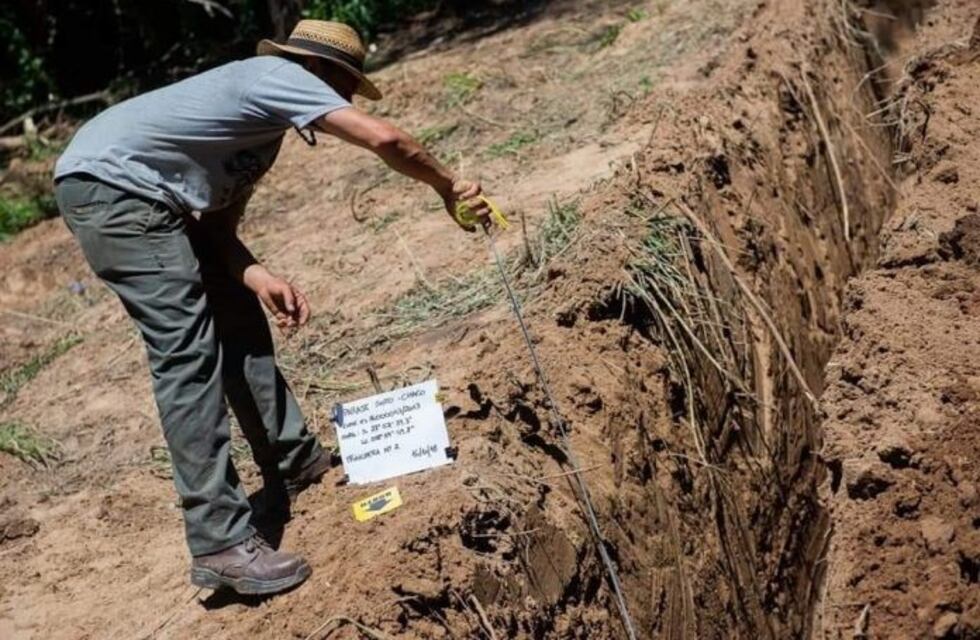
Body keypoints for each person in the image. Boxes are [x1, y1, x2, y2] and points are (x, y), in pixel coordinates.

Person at [53, 20, 490, 596]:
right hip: (118, 194)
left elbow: (216, 232)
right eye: (345, 86)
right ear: (318, 69)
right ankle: (219, 542)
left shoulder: (263, 131)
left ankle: (294, 462)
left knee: (234, 310)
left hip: (133, 194)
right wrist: (448, 187)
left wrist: (259, 277)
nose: (344, 100)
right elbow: (386, 140)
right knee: (186, 355)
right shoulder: (275, 76)